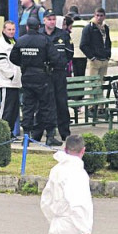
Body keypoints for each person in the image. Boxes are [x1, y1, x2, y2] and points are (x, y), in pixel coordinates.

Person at [10, 15, 60, 146]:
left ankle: (26, 136)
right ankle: (50, 136)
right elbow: (55, 58)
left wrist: (24, 64)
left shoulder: (20, 41)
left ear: (27, 27)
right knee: (47, 106)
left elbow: (13, 58)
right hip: (42, 77)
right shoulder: (44, 40)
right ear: (38, 27)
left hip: (27, 77)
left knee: (28, 107)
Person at [43, 11, 74, 141]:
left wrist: (61, 63)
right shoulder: (40, 34)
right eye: (49, 19)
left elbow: (70, 53)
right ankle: (47, 133)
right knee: (45, 104)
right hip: (44, 74)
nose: (52, 22)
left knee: (61, 103)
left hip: (59, 73)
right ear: (44, 20)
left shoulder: (63, 35)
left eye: (53, 19)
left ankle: (65, 133)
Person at [0, 19, 22, 136]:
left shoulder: (14, 41)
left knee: (14, 111)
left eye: (13, 29)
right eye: (9, 29)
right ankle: (0, 133)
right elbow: (0, 63)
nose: (11, 31)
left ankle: (9, 132)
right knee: (6, 109)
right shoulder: (0, 43)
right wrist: (12, 76)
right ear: (4, 30)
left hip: (16, 83)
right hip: (6, 83)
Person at [80, 8, 112, 86]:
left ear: (104, 16)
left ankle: (101, 94)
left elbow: (108, 41)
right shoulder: (89, 28)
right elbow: (83, 45)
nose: (99, 17)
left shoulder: (105, 28)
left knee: (102, 84)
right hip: (95, 60)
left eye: (101, 15)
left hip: (104, 59)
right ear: (94, 15)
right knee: (93, 84)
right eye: (97, 15)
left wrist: (108, 55)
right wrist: (92, 57)